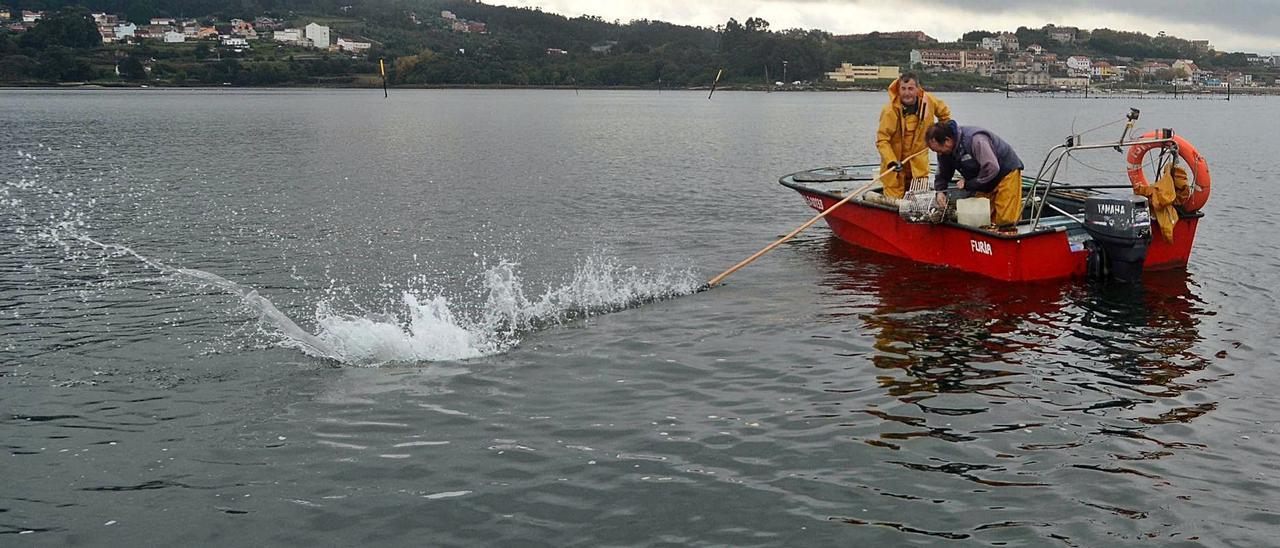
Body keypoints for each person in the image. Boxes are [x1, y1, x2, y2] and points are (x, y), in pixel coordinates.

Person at [925, 120, 1025, 227]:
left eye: (939, 150)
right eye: (935, 151)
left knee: (1006, 220)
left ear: (948, 141)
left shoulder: (976, 140)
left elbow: (991, 167)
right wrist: (940, 191)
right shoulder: (945, 151)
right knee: (982, 219)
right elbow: (943, 173)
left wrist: (969, 184)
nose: (939, 154)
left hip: (1005, 173)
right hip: (983, 179)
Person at [876, 73, 951, 199]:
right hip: (895, 169)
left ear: (917, 89)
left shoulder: (930, 102)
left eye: (910, 89)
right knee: (894, 203)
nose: (907, 93)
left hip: (919, 167)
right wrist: (891, 161)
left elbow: (945, 116)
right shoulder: (889, 111)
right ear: (898, 90)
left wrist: (940, 138)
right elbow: (882, 140)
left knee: (918, 204)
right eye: (903, 89)